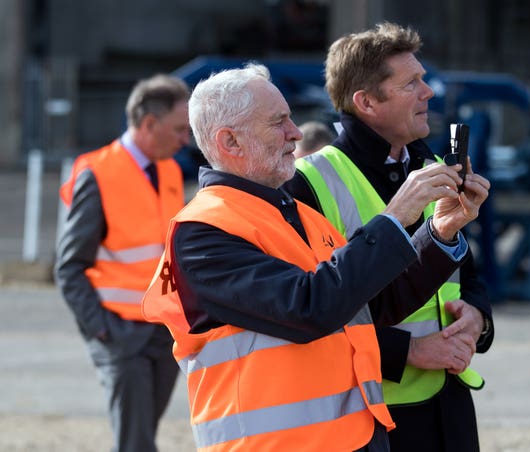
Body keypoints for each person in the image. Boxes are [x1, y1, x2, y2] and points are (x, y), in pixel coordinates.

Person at [141, 62, 488, 451]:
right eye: (279, 123)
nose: (296, 133)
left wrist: (437, 233)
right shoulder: (202, 233)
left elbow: (369, 307)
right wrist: (393, 218)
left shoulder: (297, 215)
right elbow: (310, 308)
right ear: (230, 142)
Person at [284, 22, 494, 452]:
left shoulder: (435, 165)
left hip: (449, 405)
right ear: (366, 102)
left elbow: (466, 274)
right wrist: (408, 352)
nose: (428, 91)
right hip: (370, 412)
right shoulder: (306, 183)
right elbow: (309, 309)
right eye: (411, 83)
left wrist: (479, 319)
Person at [55, 74, 191, 452]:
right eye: (179, 129)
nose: (185, 140)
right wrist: (102, 330)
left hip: (162, 329)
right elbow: (68, 266)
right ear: (149, 124)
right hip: (119, 332)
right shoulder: (97, 173)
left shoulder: (168, 170)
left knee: (140, 434)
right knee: (136, 441)